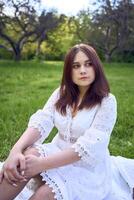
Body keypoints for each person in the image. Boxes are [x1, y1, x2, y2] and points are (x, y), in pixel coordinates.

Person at [0, 43, 134, 200]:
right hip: (57, 151)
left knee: (45, 194)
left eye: (88, 64)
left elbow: (89, 147)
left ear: (96, 67)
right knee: (23, 160)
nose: (82, 70)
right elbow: (42, 121)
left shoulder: (107, 101)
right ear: (69, 72)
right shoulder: (61, 93)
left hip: (87, 168)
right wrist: (15, 150)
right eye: (76, 66)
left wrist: (41, 164)